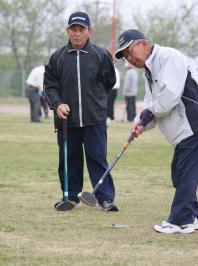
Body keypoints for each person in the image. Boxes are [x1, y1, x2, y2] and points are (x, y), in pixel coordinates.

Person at [115, 29, 198, 233]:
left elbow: (169, 97)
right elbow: (151, 106)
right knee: (179, 173)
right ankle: (191, 217)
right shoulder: (149, 70)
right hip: (184, 131)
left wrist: (146, 116)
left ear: (143, 44)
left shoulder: (169, 57)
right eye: (124, 55)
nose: (129, 58)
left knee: (186, 173)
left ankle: (180, 220)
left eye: (129, 51)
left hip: (197, 124)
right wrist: (140, 123)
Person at [44, 11, 118, 211]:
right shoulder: (57, 57)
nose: (77, 34)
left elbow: (109, 82)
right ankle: (70, 197)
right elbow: (49, 86)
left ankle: (106, 198)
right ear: (67, 31)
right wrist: (58, 104)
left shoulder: (101, 55)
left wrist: (96, 102)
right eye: (73, 29)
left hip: (95, 119)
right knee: (69, 159)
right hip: (67, 121)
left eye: (81, 29)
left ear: (89, 31)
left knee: (98, 158)